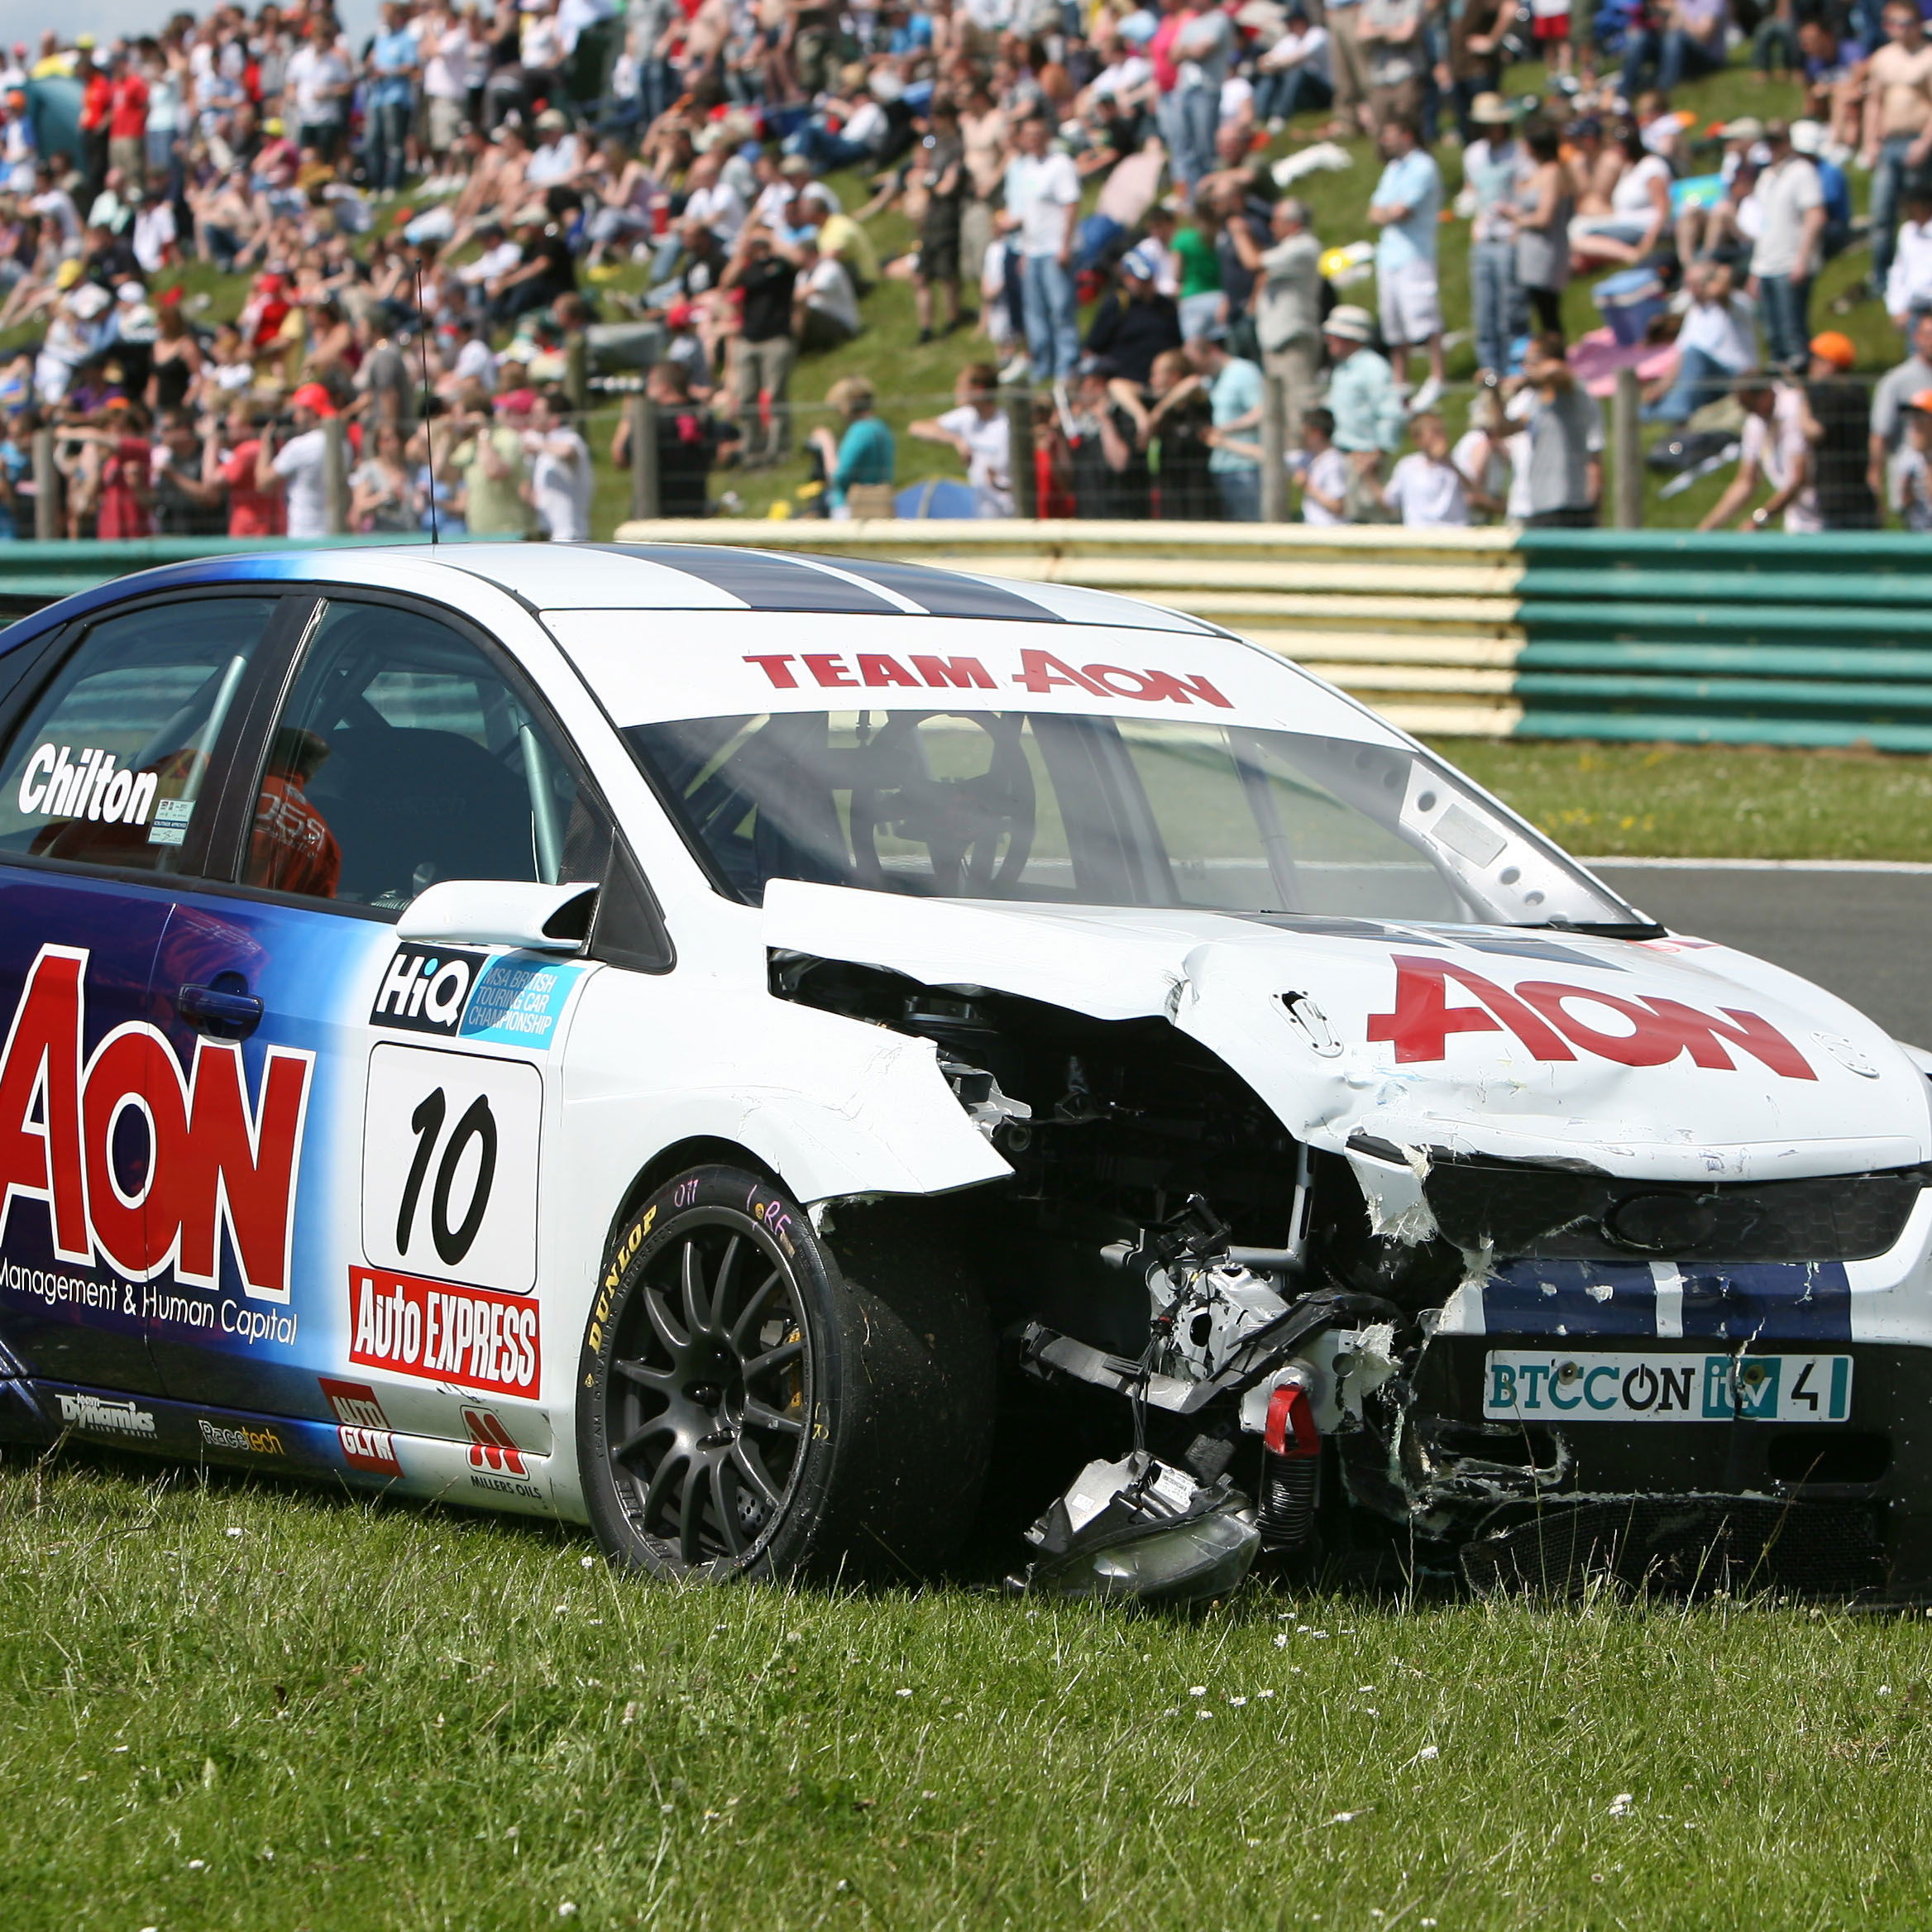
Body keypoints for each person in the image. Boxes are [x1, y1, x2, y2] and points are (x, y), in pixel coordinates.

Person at [1227, 197, 1321, 442]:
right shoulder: (1289, 250)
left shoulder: (1303, 247)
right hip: (1276, 344)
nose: (1272, 227)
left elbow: (1253, 262)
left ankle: (1305, 460)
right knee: (1280, 413)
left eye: (1277, 221)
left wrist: (1239, 233)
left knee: (1298, 409)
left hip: (1292, 342)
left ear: (1294, 224)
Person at [1366, 115, 1443, 409]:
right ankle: (1402, 387)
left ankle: (1437, 376)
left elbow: (1401, 211)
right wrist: (1386, 213)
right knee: (1394, 326)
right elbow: (1375, 212)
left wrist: (1386, 213)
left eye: (1391, 133)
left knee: (1425, 319)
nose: (1386, 141)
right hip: (1389, 256)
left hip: (1416, 253)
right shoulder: (1393, 169)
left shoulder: (1423, 166)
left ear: (1407, 134)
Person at [1001, 109, 1080, 384]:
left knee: (1061, 309)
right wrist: (1023, 250)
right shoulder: (1027, 168)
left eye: (1038, 135)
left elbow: (1071, 205)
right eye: (1028, 136)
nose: (1033, 140)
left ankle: (1067, 364)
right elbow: (1029, 213)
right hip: (1032, 249)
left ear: (1047, 136)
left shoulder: (1060, 164)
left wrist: (1065, 245)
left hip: (1054, 248)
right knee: (1034, 312)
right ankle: (1042, 362)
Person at [1863, 1, 1932, 302]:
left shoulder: (1928, 57)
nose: (1901, 29)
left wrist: (1926, 142)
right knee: (1881, 213)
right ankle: (1882, 276)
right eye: (1895, 23)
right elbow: (1873, 102)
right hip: (1889, 142)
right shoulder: (1882, 59)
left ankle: (1916, 277)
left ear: (1918, 24)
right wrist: (1870, 141)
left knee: (1916, 216)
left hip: (1918, 140)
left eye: (1907, 23)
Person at [1749, 120, 1827, 370]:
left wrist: (1802, 260)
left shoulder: (1802, 171)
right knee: (1773, 335)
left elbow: (1815, 216)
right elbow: (1763, 226)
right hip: (1767, 262)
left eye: (1777, 141)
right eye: (1769, 142)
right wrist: (1755, 268)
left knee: (1793, 331)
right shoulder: (1766, 176)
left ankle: (1800, 384)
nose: (1773, 147)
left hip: (1790, 261)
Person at [1700, 372, 1818, 532]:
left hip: (1827, 513)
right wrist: (1706, 530)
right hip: (1798, 519)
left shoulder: (1794, 408)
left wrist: (1757, 520)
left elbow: (1798, 479)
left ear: (1767, 394)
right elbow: (1746, 482)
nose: (1751, 413)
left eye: (1751, 406)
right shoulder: (1755, 419)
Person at [720, 222, 796, 467]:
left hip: (776, 338)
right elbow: (727, 282)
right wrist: (742, 250)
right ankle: (752, 451)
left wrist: (772, 238)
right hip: (748, 339)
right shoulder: (748, 268)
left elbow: (798, 258)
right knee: (746, 398)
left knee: (775, 397)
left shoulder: (783, 264)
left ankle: (779, 450)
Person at [1510, 334, 1602, 527]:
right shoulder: (1536, 401)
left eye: (1531, 361)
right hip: (1541, 505)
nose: (1525, 368)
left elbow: (1556, 370)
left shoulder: (1574, 390)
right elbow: (1506, 428)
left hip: (1571, 505)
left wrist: (1525, 381)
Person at [1463, 94, 1525, 380]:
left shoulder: (1518, 152)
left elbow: (1525, 191)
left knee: (1510, 309)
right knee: (1484, 309)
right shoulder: (1474, 154)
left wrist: (1516, 224)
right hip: (1484, 237)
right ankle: (1489, 371)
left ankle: (1515, 365)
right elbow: (1473, 192)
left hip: (1509, 236)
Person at [1646, 261, 1756, 420]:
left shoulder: (1736, 302)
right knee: (1689, 358)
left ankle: (1675, 413)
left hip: (1737, 376)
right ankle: (1654, 413)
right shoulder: (1695, 313)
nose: (1692, 290)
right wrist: (1662, 387)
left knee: (1694, 355)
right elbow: (1681, 354)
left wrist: (1720, 278)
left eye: (1697, 284)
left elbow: (1722, 293)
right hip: (1704, 377)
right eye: (1689, 284)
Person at [909, 362, 1012, 517]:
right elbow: (916, 428)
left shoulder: (1006, 425)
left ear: (978, 390)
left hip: (1012, 512)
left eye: (961, 386)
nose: (956, 391)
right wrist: (956, 440)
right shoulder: (966, 417)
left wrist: (997, 482)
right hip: (984, 514)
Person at [1805, 331, 1879, 528]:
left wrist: (1799, 398)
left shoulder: (1832, 396)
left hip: (1836, 497)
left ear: (1829, 364)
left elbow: (1814, 432)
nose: (1809, 365)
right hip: (1861, 492)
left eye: (1814, 358)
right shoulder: (1858, 392)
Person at [1188, 329, 1265, 521]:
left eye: (1199, 365)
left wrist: (1224, 430)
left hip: (1246, 467)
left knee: (1250, 528)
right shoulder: (1210, 380)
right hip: (1220, 467)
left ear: (1212, 351)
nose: (1199, 371)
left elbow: (1262, 412)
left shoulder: (1243, 372)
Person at [1084, 242, 1184, 386]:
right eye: (1140, 280)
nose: (1145, 285)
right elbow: (1093, 347)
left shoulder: (1166, 306)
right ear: (1126, 278)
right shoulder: (1117, 305)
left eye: (1148, 280)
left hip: (1163, 382)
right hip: (1126, 381)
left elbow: (1177, 343)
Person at [913, 96, 967, 342]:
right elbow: (923, 151)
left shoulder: (956, 143)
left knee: (946, 272)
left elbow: (949, 181)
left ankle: (953, 318)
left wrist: (931, 184)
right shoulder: (934, 141)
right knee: (921, 274)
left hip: (946, 214)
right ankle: (925, 327)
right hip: (931, 215)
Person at [1869, 304, 1932, 513]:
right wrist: (1875, 478)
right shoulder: (1896, 381)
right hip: (1911, 485)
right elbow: (1880, 434)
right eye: (1928, 334)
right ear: (1916, 337)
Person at [1514, 119, 1573, 340]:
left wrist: (1518, 220)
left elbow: (1544, 217)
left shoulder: (1552, 172)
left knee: (1548, 313)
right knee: (1539, 312)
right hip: (1532, 251)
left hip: (1546, 251)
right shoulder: (1538, 172)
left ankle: (1557, 361)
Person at [444, 393, 534, 535]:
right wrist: (447, 436)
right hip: (478, 533)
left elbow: (494, 471)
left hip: (510, 531)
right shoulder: (468, 446)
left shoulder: (507, 438)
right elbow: (444, 476)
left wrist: (482, 431)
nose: (456, 420)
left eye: (459, 415)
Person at [809, 373, 896, 518]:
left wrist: (827, 444)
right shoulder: (881, 428)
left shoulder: (859, 431)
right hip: (880, 503)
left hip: (851, 508)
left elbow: (839, 475)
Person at [256, 381, 335, 538]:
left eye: (298, 411)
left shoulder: (301, 446)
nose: (294, 417)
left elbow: (263, 483)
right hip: (334, 534)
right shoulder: (341, 442)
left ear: (311, 411)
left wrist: (265, 445)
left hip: (304, 537)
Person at [1379, 410, 1471, 526]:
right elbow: (1390, 500)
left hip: (1453, 534)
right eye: (1435, 433)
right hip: (1420, 536)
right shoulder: (1407, 466)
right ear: (1418, 439)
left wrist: (1450, 463)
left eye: (1442, 432)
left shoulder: (1457, 462)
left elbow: (1473, 492)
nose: (1442, 437)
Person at [526, 388, 592, 540]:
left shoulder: (570, 439)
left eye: (538, 414)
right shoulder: (546, 445)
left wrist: (538, 445)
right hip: (550, 534)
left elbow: (567, 452)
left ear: (554, 418)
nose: (532, 418)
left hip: (571, 535)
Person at [349, 419, 423, 533]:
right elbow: (359, 507)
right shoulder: (370, 469)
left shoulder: (411, 468)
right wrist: (385, 496)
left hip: (411, 535)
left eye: (397, 438)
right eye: (387, 439)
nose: (394, 443)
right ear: (378, 443)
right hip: (383, 538)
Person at [1887, 390, 1932, 528]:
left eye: (1920, 417)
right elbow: (1902, 504)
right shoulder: (1908, 457)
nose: (1914, 423)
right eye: (1912, 417)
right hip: (1918, 534)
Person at [1294, 405, 1347, 523]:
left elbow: (1337, 506)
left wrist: (1307, 486)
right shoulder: (1308, 457)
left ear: (1316, 432)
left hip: (1329, 532)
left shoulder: (1333, 462)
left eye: (1305, 431)